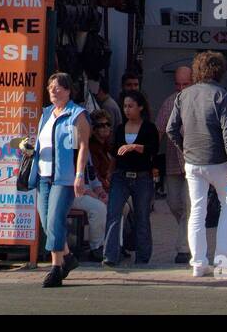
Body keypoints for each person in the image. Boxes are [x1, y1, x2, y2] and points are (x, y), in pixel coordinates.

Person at [165, 51, 227, 278]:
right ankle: (223, 258)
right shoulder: (221, 95)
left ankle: (198, 262)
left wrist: (185, 149)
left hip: (192, 162)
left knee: (197, 210)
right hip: (219, 162)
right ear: (220, 70)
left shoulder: (183, 95)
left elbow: (171, 128)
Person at [27, 72, 91, 287]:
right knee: (46, 222)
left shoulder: (77, 114)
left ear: (68, 90)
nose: (53, 91)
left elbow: (82, 146)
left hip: (63, 178)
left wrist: (79, 175)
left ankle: (56, 267)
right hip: (42, 176)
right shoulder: (46, 113)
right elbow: (41, 142)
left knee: (55, 220)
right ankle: (68, 256)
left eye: (59, 87)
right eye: (51, 87)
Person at [102, 90, 159, 266]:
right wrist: (109, 172)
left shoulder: (149, 128)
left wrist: (134, 147)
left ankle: (142, 257)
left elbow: (153, 149)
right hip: (121, 175)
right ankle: (110, 256)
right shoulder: (120, 128)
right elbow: (114, 154)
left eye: (131, 106)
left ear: (140, 107)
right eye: (125, 106)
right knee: (113, 213)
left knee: (142, 216)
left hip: (142, 177)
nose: (127, 110)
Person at [154, 65, 193, 263]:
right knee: (174, 203)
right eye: (178, 84)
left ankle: (183, 248)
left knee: (188, 204)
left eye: (185, 84)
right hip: (173, 162)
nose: (181, 88)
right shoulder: (169, 103)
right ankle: (190, 233)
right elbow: (158, 131)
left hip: (194, 163)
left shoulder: (197, 102)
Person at [75, 109, 113, 261]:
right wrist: (96, 196)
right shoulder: (71, 149)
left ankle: (115, 244)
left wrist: (101, 192)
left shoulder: (86, 149)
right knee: (98, 208)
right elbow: (78, 184)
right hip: (72, 193)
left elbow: (93, 178)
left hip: (88, 191)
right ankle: (97, 247)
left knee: (113, 204)